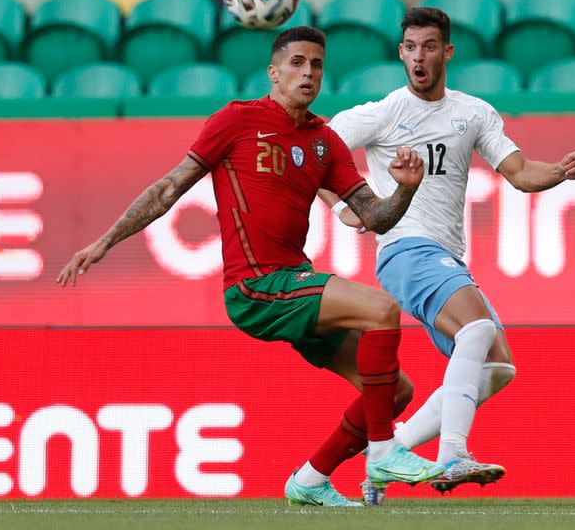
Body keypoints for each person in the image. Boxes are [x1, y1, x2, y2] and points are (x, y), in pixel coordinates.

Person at [57, 25, 445, 507]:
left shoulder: (325, 141)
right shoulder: (237, 121)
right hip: (255, 287)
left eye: (317, 65)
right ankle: (384, 451)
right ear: (273, 72)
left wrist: (405, 189)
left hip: (292, 282)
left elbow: (373, 215)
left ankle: (309, 479)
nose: (308, 72)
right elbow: (169, 188)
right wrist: (106, 240)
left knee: (394, 392)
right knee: (382, 309)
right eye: (297, 63)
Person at [320, 7, 575, 501]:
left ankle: (388, 454)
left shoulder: (474, 113)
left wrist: (560, 173)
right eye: (409, 48)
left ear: (447, 52)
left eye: (428, 47)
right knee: (478, 328)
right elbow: (316, 150)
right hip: (404, 248)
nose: (418, 57)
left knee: (497, 365)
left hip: (444, 254)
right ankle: (451, 455)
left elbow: (522, 171)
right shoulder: (382, 113)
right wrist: (345, 206)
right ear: (400, 53)